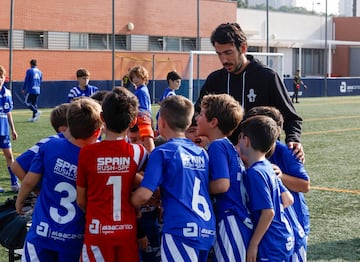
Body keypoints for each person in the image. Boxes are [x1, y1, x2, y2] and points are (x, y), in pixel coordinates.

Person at [194, 22, 304, 162]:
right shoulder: (215, 80)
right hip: (225, 160)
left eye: (228, 52)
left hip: (262, 160)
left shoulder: (267, 77)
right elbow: (197, 114)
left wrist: (293, 139)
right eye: (219, 54)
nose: (224, 60)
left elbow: (291, 118)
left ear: (243, 48)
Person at [15, 97, 103, 261]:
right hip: (74, 237)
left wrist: (20, 201)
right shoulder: (98, 158)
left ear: (67, 125)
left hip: (42, 233)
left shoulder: (50, 146)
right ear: (98, 131)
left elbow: (28, 181)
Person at [131, 95, 216, 262]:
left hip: (180, 229)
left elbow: (143, 195)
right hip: (206, 228)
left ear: (161, 122)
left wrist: (130, 202)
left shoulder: (163, 152)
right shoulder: (201, 152)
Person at [76, 87, 148, 262]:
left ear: (101, 118)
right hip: (127, 232)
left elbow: (81, 200)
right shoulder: (139, 152)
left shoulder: (87, 153)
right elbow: (147, 182)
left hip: (97, 232)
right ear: (132, 123)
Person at [243, 106, 310, 261]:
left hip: (295, 221)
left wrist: (280, 176)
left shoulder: (287, 151)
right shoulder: (252, 153)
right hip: (275, 229)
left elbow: (305, 185)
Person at [195, 93, 252, 262]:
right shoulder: (225, 145)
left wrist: (194, 187)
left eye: (201, 114)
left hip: (231, 218)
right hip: (236, 217)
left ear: (213, 122)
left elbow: (222, 185)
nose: (197, 118)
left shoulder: (218, 146)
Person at [238, 115, 294, 262]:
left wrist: (253, 244)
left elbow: (268, 212)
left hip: (271, 242)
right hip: (283, 236)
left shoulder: (254, 173)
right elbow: (288, 199)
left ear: (247, 141)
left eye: (240, 137)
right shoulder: (268, 166)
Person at [11, 103, 71, 183]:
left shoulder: (79, 142)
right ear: (63, 129)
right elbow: (16, 166)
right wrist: (37, 191)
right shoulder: (49, 143)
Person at [0, 65, 19, 193]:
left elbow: (8, 113)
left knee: (9, 155)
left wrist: (13, 129)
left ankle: (14, 182)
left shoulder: (7, 93)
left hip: (3, 130)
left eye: (1, 77)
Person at [128, 65, 154, 152]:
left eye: (138, 77)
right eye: (134, 77)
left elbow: (144, 108)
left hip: (142, 120)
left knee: (143, 141)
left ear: (144, 77)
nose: (135, 79)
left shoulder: (142, 91)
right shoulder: (139, 90)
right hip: (141, 119)